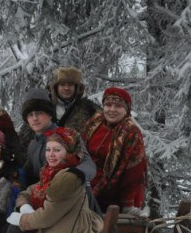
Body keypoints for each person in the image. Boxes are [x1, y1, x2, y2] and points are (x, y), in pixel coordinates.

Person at [81, 86, 148, 214]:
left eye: (118, 106)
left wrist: (127, 204)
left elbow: (134, 173)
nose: (112, 110)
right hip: (85, 182)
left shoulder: (130, 133)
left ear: (126, 110)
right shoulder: (94, 123)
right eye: (108, 105)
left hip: (111, 193)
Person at [16, 87, 96, 188]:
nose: (34, 118)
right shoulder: (33, 144)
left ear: (50, 114)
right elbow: (28, 174)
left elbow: (88, 164)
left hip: (67, 196)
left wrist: (74, 176)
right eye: (30, 114)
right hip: (41, 196)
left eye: (39, 113)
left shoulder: (68, 136)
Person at [49, 66, 100, 133]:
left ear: (76, 87)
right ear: (56, 87)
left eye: (70, 85)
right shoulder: (45, 105)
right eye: (62, 84)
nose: (66, 88)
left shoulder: (88, 108)